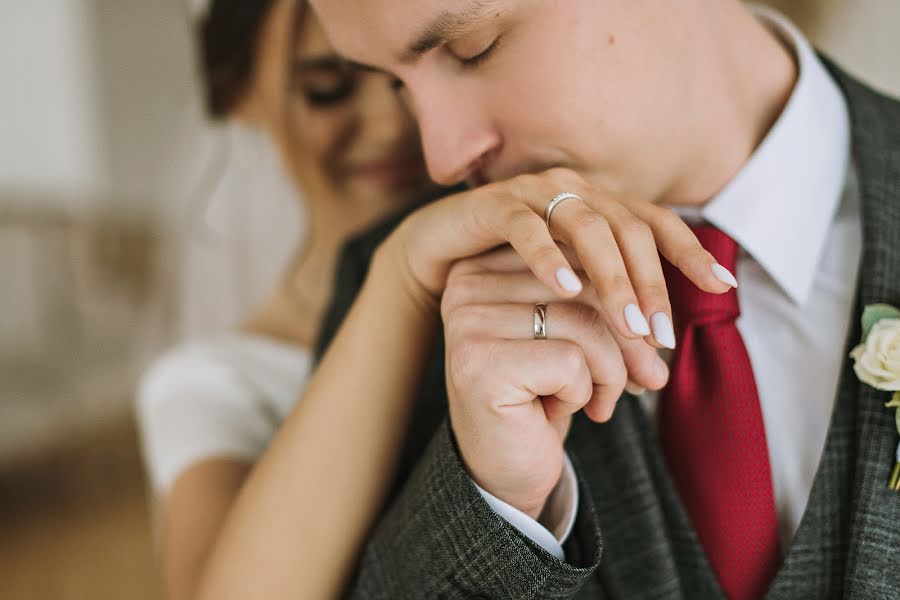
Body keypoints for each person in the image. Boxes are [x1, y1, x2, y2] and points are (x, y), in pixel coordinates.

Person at [243, 0, 895, 597]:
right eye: (397, 84)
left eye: (474, 48)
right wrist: (494, 507)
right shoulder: (400, 307)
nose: (442, 158)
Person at [135, 0, 436, 598]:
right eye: (327, 89)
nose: (390, 126)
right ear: (238, 91)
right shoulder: (218, 385)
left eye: (411, 79)